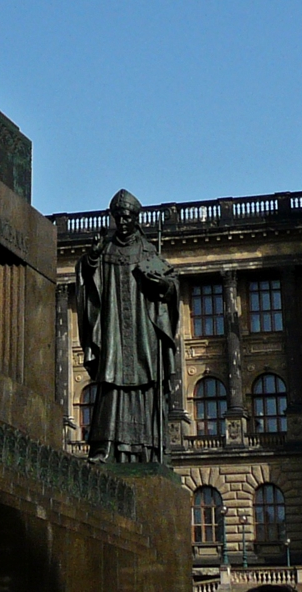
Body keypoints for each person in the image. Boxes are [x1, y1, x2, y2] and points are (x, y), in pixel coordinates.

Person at [76, 190, 178, 463]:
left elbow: (171, 285)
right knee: (111, 383)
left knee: (146, 384)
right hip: (113, 330)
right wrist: (92, 259)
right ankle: (105, 448)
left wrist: (165, 286)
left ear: (136, 218)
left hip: (143, 332)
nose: (123, 221)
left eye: (128, 217)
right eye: (118, 217)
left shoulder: (148, 250)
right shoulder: (105, 250)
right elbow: (88, 281)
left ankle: (150, 449)